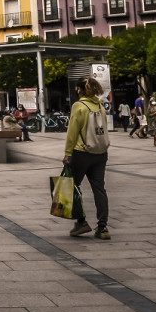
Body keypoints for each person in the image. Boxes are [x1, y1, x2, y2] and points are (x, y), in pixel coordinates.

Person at [64, 76, 111, 240]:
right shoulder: (100, 106)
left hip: (81, 152)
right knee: (99, 189)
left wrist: (68, 153)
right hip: (100, 153)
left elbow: (72, 132)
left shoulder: (79, 106)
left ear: (79, 89)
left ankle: (81, 221)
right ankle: (103, 227)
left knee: (73, 187)